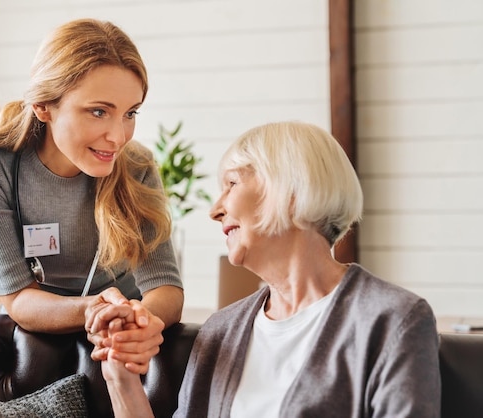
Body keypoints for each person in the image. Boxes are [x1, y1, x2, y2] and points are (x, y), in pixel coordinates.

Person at [99, 121, 441, 417]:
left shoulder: (393, 319)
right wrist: (120, 377)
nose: (215, 210)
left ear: (291, 188)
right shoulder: (221, 330)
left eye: (231, 184)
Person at [0, 18, 184, 368]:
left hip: (120, 340)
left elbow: (164, 287)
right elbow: (19, 298)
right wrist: (95, 309)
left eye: (130, 113)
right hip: (31, 346)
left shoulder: (135, 165)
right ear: (44, 106)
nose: (118, 136)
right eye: (98, 111)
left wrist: (141, 323)